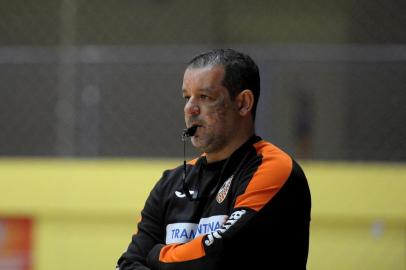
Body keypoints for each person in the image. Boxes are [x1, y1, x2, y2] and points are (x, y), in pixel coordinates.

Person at [116, 49, 311, 269]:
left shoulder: (273, 168)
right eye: (187, 97)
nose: (190, 109)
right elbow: (128, 264)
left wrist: (156, 256)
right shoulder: (170, 183)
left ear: (243, 103)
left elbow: (217, 257)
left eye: (205, 97)